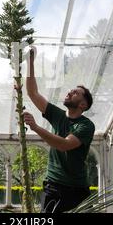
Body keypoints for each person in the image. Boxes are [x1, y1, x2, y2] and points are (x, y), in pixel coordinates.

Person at [23, 46, 95, 213]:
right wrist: (30, 62)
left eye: (76, 92)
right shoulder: (58, 116)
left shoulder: (86, 126)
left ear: (83, 105)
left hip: (77, 190)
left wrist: (35, 127)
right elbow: (33, 93)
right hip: (53, 186)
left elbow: (64, 145)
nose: (70, 92)